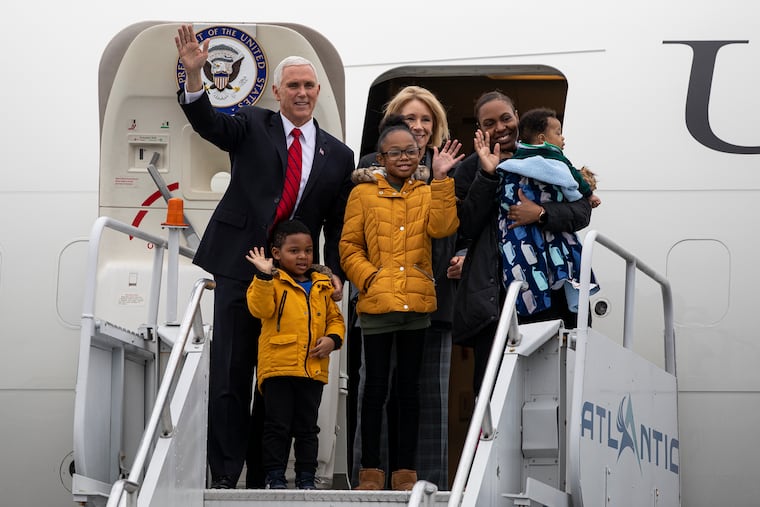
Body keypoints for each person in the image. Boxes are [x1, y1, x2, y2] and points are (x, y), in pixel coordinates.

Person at [174, 24, 355, 489]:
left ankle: (263, 473)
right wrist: (195, 79)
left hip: (295, 279)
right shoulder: (253, 123)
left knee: (275, 381)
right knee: (233, 372)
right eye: (292, 85)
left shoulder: (339, 154)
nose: (301, 92)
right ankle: (224, 473)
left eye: (308, 85)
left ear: (317, 92)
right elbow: (209, 124)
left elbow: (335, 220)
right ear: (276, 91)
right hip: (241, 263)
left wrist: (331, 270)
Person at [351, 85, 464, 489]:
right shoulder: (368, 171)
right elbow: (352, 241)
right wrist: (370, 278)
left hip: (430, 300)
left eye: (425, 119)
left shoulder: (447, 167)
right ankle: (369, 472)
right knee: (373, 387)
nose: (417, 127)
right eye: (409, 117)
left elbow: (456, 225)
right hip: (380, 299)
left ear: (436, 127)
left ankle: (417, 477)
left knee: (423, 392)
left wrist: (463, 253)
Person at [452, 91, 593, 395]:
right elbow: (467, 225)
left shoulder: (545, 157)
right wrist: (488, 176)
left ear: (517, 116)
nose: (500, 127)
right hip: (497, 295)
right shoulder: (470, 169)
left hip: (550, 285)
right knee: (493, 388)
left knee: (554, 384)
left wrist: (540, 213)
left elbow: (581, 212)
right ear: (480, 128)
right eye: (489, 123)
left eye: (505, 118)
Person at [244, 219, 345, 490]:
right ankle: (274, 477)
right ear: (277, 254)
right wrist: (264, 275)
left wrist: (333, 340)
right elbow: (260, 309)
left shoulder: (323, 285)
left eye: (309, 250)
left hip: (312, 369)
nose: (303, 257)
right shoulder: (271, 281)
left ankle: (305, 479)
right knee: (277, 426)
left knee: (307, 428)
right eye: (294, 251)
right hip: (278, 368)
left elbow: (335, 320)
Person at [517, 107, 601, 208]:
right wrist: (589, 195)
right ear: (542, 139)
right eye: (558, 133)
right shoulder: (556, 158)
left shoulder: (518, 155)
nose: (562, 137)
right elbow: (574, 175)